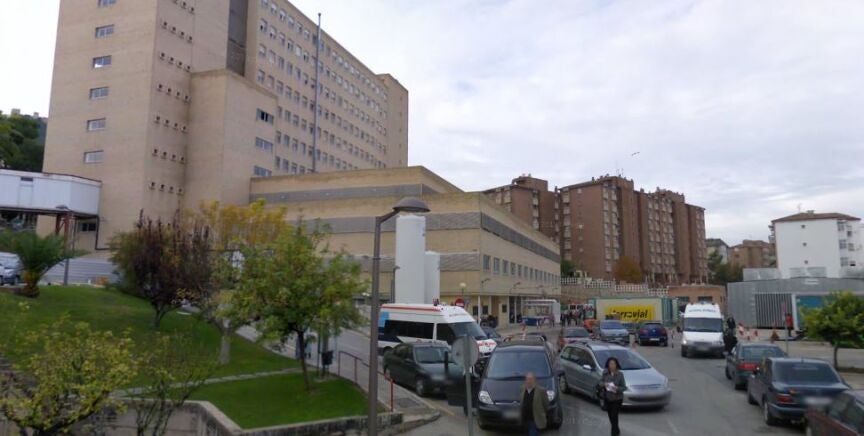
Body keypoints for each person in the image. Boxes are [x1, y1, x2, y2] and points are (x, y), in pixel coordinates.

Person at [599, 357, 627, 436]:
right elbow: (600, 382)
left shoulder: (620, 374)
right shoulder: (605, 373)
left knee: (614, 416)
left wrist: (617, 388)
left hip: (617, 399)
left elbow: (624, 387)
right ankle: (616, 430)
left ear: (616, 365)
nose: (612, 365)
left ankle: (614, 433)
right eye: (610, 364)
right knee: (611, 417)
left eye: (613, 364)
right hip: (608, 398)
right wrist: (604, 384)